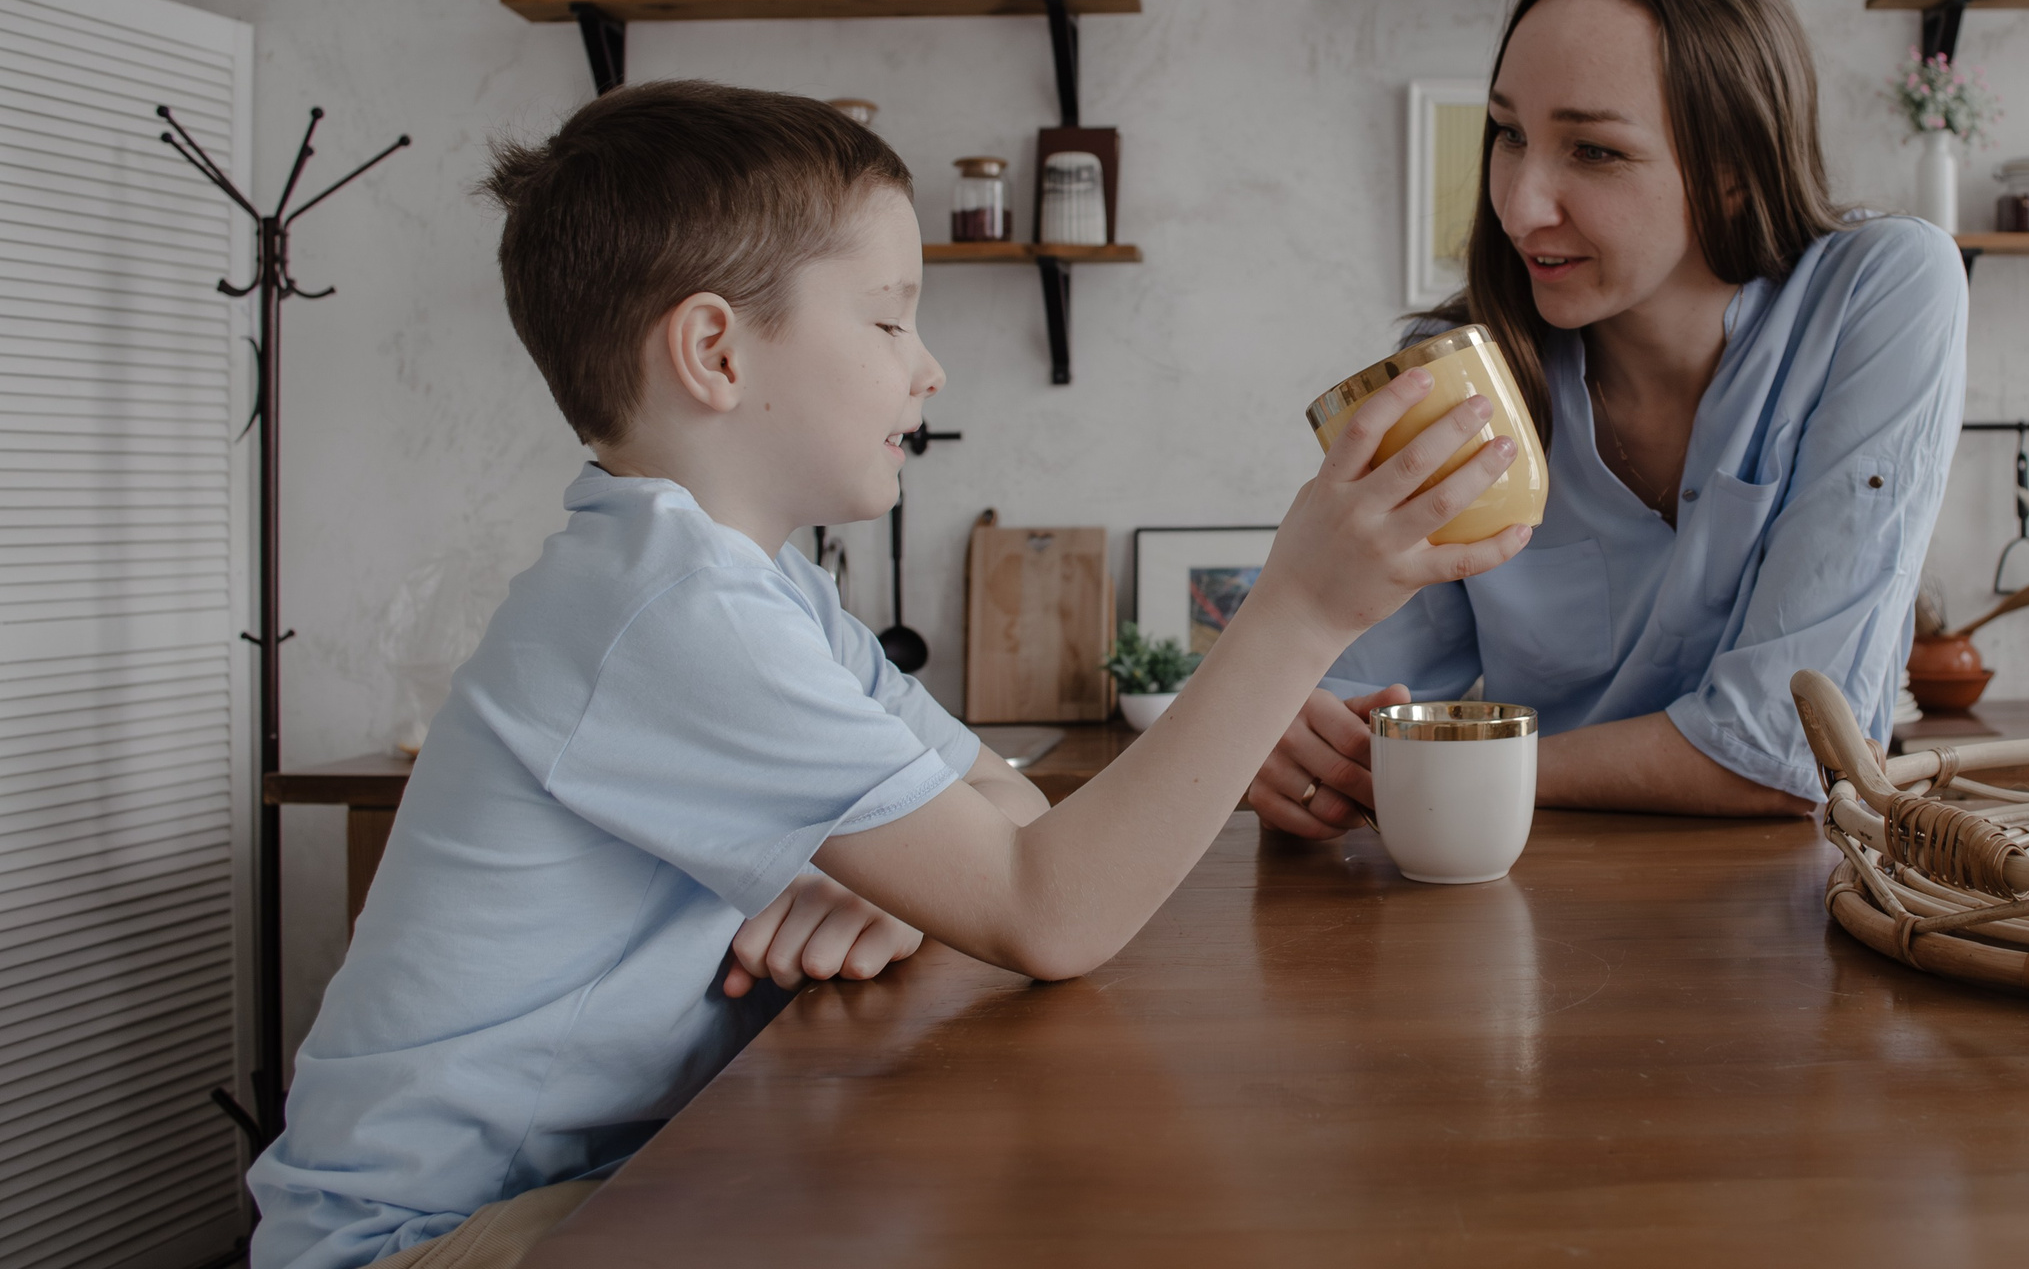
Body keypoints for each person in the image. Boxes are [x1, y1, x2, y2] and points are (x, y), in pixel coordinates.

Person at [247, 83, 1532, 1268]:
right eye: (888, 315)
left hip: (607, 1176)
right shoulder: (668, 607)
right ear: (713, 352)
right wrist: (1299, 607)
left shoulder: (769, 586)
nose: (929, 365)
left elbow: (1013, 817)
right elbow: (1050, 909)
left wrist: (913, 890)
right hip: (424, 1242)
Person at [1249, 0, 1967, 837]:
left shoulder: (1884, 288)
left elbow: (1791, 755)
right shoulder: (1461, 370)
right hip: (1517, 916)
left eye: (1593, 151)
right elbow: (1345, 709)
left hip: (1791, 926)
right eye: (1509, 135)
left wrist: (1451, 767)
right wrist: (1290, 743)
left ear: (1736, 173)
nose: (1518, 205)